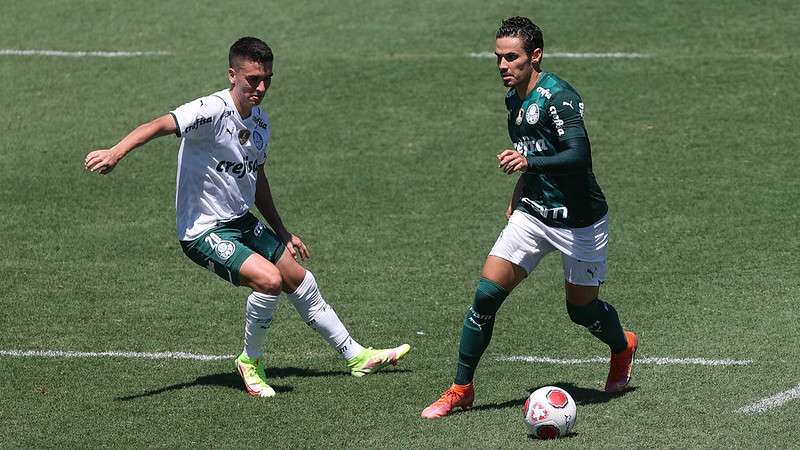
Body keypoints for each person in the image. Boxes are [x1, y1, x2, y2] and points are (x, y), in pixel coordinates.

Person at [84, 37, 410, 398]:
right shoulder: (210, 110)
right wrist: (116, 152)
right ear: (232, 75)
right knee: (269, 281)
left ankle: (356, 356)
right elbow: (161, 124)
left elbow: (258, 179)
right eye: (253, 79)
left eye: (267, 78)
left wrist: (282, 231)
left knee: (298, 278)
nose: (261, 87)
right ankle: (249, 361)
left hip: (240, 220)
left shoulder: (260, 123)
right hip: (202, 230)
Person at [421, 17, 637, 419]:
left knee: (581, 311)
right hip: (534, 215)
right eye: (499, 58)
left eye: (512, 58)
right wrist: (520, 192)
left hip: (580, 222)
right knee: (486, 296)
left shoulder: (559, 97)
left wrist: (528, 163)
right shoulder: (513, 99)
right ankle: (461, 389)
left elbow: (579, 155)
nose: (504, 66)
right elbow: (528, 148)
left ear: (535, 56)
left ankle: (622, 346)